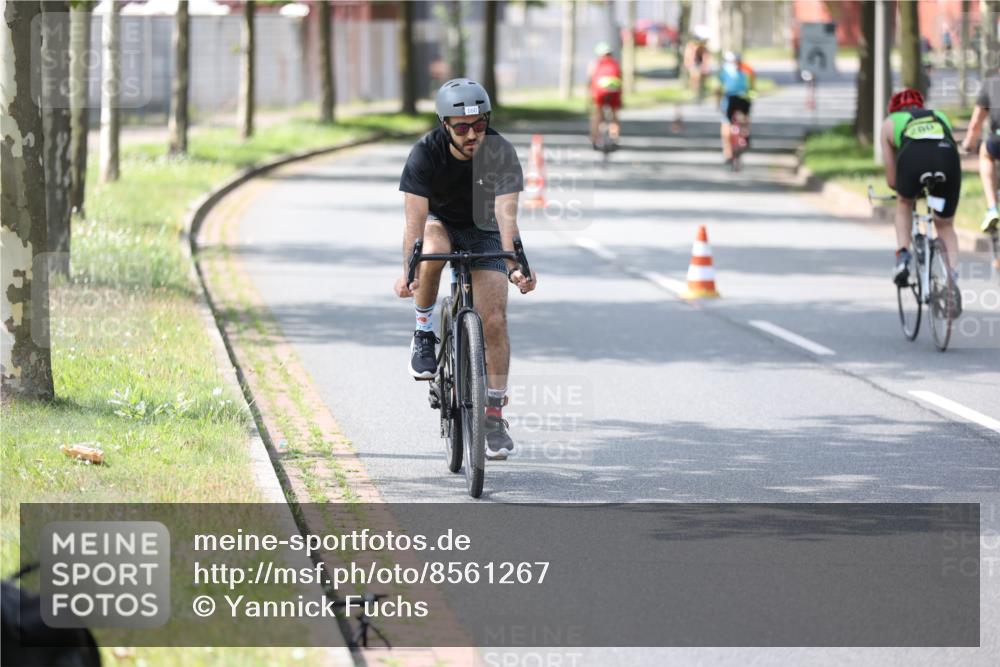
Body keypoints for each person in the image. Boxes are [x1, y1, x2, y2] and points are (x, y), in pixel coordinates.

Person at [396, 78, 537, 460]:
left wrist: (515, 263)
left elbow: (507, 219)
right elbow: (414, 225)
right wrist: (409, 270)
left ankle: (492, 415)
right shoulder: (425, 154)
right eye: (462, 127)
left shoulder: (500, 152)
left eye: (479, 124)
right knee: (434, 250)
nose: (472, 133)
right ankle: (424, 331)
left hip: (485, 227)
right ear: (445, 125)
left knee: (494, 318)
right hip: (439, 223)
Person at [881, 88, 962, 312]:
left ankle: (903, 256)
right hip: (947, 158)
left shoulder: (890, 122)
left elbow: (891, 180)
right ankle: (951, 282)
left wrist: (910, 189)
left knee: (904, 203)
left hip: (912, 158)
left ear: (894, 109)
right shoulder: (939, 115)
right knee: (944, 224)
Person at [960, 70, 1000, 233]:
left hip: (997, 140)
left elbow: (976, 123)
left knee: (985, 154)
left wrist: (968, 145)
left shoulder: (991, 83)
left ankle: (992, 208)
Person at [717, 51, 755, 164]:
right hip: (740, 97)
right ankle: (742, 138)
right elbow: (752, 86)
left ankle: (728, 152)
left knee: (727, 123)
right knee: (739, 121)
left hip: (734, 98)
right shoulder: (747, 68)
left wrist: (717, 102)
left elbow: (719, 88)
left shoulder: (725, 70)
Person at [588, 42, 623, 149]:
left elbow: (590, 79)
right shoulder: (615, 64)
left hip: (600, 92)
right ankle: (615, 138)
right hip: (614, 92)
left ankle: (594, 139)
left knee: (597, 115)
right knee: (614, 115)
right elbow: (620, 80)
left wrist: (590, 96)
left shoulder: (595, 64)